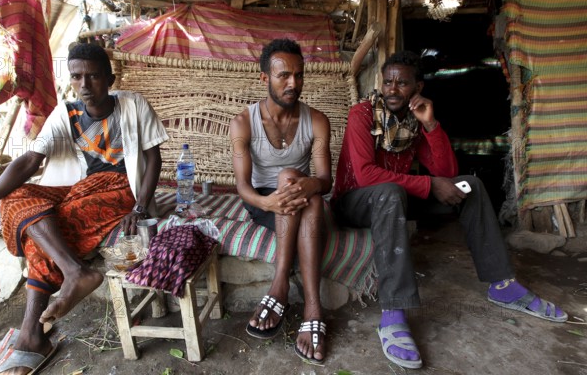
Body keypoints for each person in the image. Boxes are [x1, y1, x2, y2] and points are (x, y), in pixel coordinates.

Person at [331, 50, 567, 369]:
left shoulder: (417, 119)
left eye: (402, 83)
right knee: (388, 191)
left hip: (397, 198)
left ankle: (503, 285)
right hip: (355, 201)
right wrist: (429, 186)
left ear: (418, 87)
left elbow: (447, 170)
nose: (392, 89)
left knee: (470, 185)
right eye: (388, 82)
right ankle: (393, 313)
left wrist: (430, 125)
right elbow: (366, 175)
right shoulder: (362, 113)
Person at [0, 43, 169, 375]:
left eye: (93, 76)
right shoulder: (65, 114)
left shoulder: (134, 105)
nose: (84, 85)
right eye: (76, 77)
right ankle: (74, 271)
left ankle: (31, 336)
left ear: (110, 79)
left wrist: (140, 208)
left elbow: (154, 159)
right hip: (77, 191)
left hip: (121, 191)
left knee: (46, 229)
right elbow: (30, 161)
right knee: (15, 198)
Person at [229, 39, 332, 364]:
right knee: (291, 180)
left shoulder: (316, 120)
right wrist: (267, 204)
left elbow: (325, 180)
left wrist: (306, 186)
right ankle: (312, 307)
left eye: (299, 76)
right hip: (261, 200)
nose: (293, 84)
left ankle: (282, 291)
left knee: (304, 190)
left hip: (303, 195)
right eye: (283, 76)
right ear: (265, 79)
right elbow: (242, 187)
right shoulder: (243, 123)